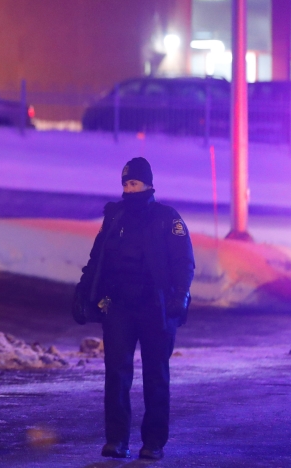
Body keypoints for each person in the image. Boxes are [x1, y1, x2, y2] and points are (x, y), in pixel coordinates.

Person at [72, 157, 194, 461]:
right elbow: (97, 258)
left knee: (156, 376)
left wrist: (180, 296)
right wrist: (84, 291)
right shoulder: (115, 217)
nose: (129, 188)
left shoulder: (167, 218)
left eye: (135, 183)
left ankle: (153, 443)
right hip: (120, 308)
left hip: (156, 308)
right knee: (116, 374)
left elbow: (184, 262)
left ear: (148, 185)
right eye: (126, 183)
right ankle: (117, 440)